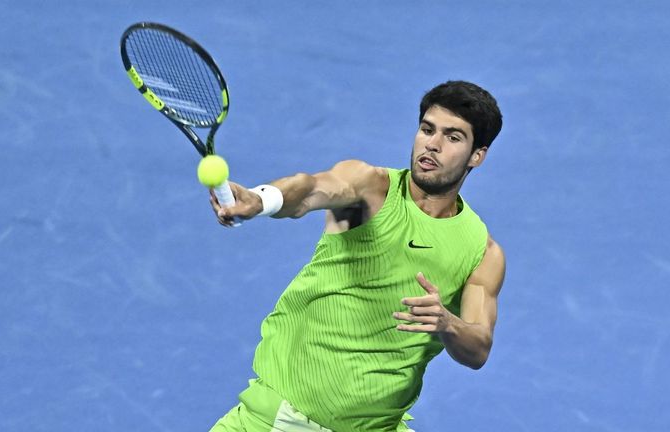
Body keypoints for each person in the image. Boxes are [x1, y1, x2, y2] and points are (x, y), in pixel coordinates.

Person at [209, 81, 505, 432]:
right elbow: (308, 189)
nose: (433, 145)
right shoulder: (370, 189)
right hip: (279, 421)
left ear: (477, 155)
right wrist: (263, 200)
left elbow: (478, 348)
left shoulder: (482, 252)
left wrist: (446, 323)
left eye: (453, 137)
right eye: (427, 129)